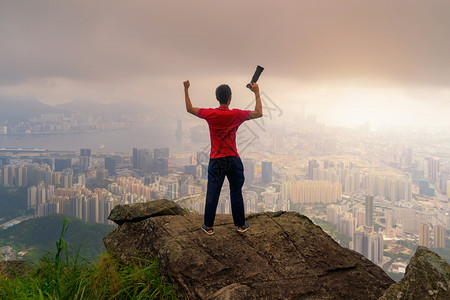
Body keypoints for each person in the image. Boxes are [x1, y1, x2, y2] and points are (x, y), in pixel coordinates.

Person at [183, 80, 262, 235]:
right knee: (236, 191)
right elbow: (259, 112)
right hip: (233, 159)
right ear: (230, 98)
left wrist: (186, 89)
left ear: (217, 98)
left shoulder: (210, 114)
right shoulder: (237, 114)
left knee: (213, 192)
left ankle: (208, 226)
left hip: (216, 160)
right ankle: (240, 225)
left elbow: (189, 109)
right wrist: (257, 92)